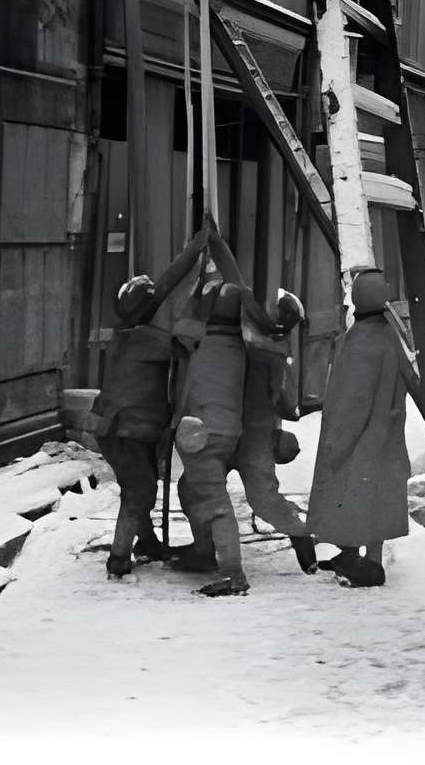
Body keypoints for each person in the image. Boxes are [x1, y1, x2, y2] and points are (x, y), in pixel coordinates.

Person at [172, 284, 316, 578]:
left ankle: (205, 549)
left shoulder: (228, 346)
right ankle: (299, 533)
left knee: (195, 491)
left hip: (220, 431)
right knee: (263, 497)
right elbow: (290, 406)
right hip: (256, 437)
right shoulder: (274, 354)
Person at [93, 234, 207, 579]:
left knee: (137, 487)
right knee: (139, 491)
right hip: (127, 429)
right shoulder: (151, 341)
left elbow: (163, 292)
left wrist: (193, 251)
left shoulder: (125, 336)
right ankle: (118, 558)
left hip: (115, 428)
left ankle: (147, 541)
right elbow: (185, 345)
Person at [306, 268, 423, 587]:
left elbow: (349, 400)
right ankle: (371, 559)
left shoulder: (356, 343)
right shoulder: (391, 336)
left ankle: (355, 560)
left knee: (352, 496)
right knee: (376, 499)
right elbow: (413, 380)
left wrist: (336, 443)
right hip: (386, 438)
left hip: (358, 438)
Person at [173, 279, 249, 596]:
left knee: (215, 502)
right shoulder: (239, 346)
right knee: (189, 490)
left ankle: (233, 572)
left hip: (201, 432)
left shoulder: (200, 343)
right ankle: (203, 551)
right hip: (228, 430)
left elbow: (178, 328)